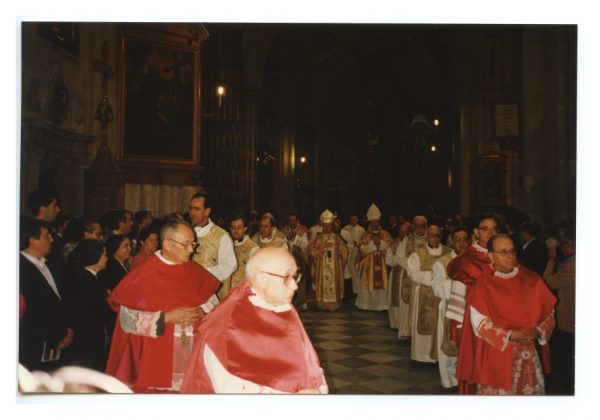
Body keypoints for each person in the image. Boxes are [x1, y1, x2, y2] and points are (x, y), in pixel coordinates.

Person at [180, 247, 328, 394]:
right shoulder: (226, 322)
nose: (295, 286)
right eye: (287, 277)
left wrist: (316, 387)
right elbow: (229, 389)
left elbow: (305, 358)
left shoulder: (280, 304)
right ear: (262, 278)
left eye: (295, 276)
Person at [105, 218, 221, 392]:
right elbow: (126, 320)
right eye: (186, 244)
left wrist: (201, 311)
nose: (191, 249)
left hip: (192, 356)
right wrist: (165, 317)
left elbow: (214, 302)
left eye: (193, 243)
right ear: (167, 244)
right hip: (155, 359)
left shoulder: (194, 271)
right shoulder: (143, 274)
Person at [464, 234, 556, 395]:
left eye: (512, 251)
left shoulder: (531, 279)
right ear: (491, 255)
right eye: (503, 252)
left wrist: (538, 331)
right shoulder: (483, 284)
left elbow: (549, 312)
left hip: (529, 352)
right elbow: (479, 323)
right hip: (498, 353)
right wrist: (511, 335)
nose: (510, 256)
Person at [447, 214, 497, 394]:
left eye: (494, 228)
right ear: (476, 232)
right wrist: (458, 326)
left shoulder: (503, 253)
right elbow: (458, 292)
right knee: (477, 364)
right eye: (486, 229)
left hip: (501, 319)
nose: (491, 232)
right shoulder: (467, 259)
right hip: (474, 321)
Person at [19, 218, 73, 372]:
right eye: (46, 235)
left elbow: (62, 300)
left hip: (59, 342)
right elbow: (32, 311)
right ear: (32, 240)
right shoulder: (20, 268)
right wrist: (55, 337)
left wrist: (68, 329)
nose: (52, 239)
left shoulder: (50, 263)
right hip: (36, 345)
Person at [431, 227, 471, 388]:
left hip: (471, 309)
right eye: (457, 239)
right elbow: (437, 286)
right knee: (451, 345)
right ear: (451, 241)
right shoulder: (442, 262)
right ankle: (451, 379)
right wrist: (462, 284)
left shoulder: (474, 260)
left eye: (464, 239)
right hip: (449, 309)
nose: (461, 243)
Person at [407, 225, 452, 363]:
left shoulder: (448, 252)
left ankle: (438, 357)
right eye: (431, 235)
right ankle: (421, 355)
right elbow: (412, 273)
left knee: (440, 327)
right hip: (423, 296)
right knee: (424, 325)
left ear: (441, 237)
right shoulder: (417, 253)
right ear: (427, 236)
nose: (434, 238)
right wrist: (435, 277)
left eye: (437, 235)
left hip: (441, 297)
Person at [69, 239, 113, 372]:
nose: (107, 258)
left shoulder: (88, 277)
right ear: (94, 257)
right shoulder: (86, 280)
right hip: (89, 339)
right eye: (104, 255)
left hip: (91, 336)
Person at [544, 226, 575, 394]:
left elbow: (548, 281)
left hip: (569, 321)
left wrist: (551, 260)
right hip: (570, 320)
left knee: (569, 362)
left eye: (562, 244)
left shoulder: (573, 266)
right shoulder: (571, 262)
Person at [189, 191, 237, 299]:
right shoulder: (186, 233)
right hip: (189, 289)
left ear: (207, 211)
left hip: (211, 292)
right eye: (191, 208)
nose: (192, 213)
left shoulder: (221, 235)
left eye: (197, 209)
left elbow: (231, 265)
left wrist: (204, 273)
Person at [307, 210, 348, 311]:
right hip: (322, 267)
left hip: (334, 267)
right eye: (325, 226)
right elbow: (310, 250)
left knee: (333, 282)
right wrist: (318, 252)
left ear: (332, 226)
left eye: (329, 226)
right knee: (323, 283)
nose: (327, 228)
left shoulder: (336, 237)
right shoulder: (318, 238)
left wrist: (340, 251)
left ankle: (334, 304)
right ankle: (323, 304)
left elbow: (344, 249)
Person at [355, 204, 392, 311]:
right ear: (370, 223)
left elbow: (390, 247)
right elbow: (362, 249)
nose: (375, 224)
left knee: (383, 281)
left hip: (382, 263)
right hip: (369, 264)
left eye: (376, 222)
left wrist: (380, 243)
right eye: (372, 222)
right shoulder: (365, 235)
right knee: (368, 280)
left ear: (379, 222)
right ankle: (367, 304)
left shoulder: (386, 234)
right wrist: (372, 244)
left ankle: (382, 305)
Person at [218, 214, 259, 299]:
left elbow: (252, 277)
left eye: (239, 227)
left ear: (245, 228)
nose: (236, 230)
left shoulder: (253, 248)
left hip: (242, 295)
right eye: (233, 227)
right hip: (225, 293)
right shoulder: (226, 244)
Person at [384, 221, 411, 329]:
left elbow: (411, 262)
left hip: (407, 276)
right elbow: (388, 260)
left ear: (408, 232)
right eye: (401, 232)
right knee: (394, 299)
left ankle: (405, 326)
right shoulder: (393, 243)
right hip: (395, 275)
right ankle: (395, 323)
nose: (403, 234)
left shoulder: (411, 244)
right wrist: (400, 260)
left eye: (405, 232)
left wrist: (398, 259)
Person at [281, 212, 310, 310]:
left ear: (297, 221)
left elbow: (305, 245)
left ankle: (301, 302)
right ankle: (289, 301)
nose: (291, 222)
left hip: (299, 259)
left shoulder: (302, 231)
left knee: (300, 280)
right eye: (290, 220)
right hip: (288, 259)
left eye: (293, 220)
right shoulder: (284, 230)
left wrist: (295, 244)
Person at [340, 214, 366, 300]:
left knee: (357, 271)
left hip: (358, 252)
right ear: (350, 220)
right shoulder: (345, 229)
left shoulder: (361, 229)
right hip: (349, 252)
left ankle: (357, 290)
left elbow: (364, 240)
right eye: (352, 219)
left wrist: (359, 245)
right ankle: (350, 290)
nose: (353, 221)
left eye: (355, 219)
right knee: (349, 270)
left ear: (357, 220)